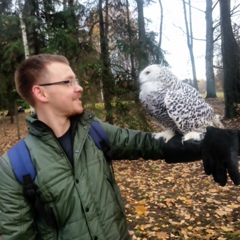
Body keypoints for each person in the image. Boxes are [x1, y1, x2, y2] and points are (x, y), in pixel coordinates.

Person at [0, 54, 239, 240]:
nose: (79, 87)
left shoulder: (94, 131)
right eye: (68, 82)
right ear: (40, 92)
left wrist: (211, 140)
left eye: (77, 80)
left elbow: (147, 144)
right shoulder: (14, 167)